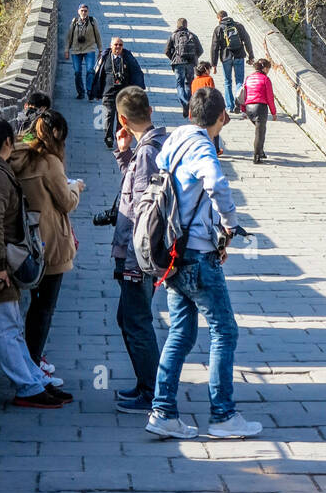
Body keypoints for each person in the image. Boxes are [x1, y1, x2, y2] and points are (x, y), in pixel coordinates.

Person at [147, 87, 262, 440]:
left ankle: (163, 411)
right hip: (197, 255)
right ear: (221, 117)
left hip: (174, 253)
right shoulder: (200, 145)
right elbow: (216, 183)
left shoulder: (175, 140)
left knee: (180, 333)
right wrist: (228, 222)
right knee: (224, 331)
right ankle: (223, 416)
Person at [0, 117, 71, 408]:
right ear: (8, 142)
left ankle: (35, 379)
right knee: (6, 330)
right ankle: (27, 388)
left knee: (12, 326)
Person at [10, 111, 84, 374]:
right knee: (45, 308)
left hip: (24, 242)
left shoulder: (17, 157)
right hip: (51, 242)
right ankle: (33, 361)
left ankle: (30, 357)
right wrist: (76, 187)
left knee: (35, 304)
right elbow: (66, 202)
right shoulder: (49, 162)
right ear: (57, 134)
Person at [111, 87, 168, 413]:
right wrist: (123, 154)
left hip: (138, 255)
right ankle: (146, 385)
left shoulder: (148, 153)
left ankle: (152, 393)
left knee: (137, 321)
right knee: (129, 318)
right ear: (149, 109)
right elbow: (137, 193)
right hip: (140, 254)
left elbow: (144, 215)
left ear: (122, 118)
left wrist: (134, 263)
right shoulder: (151, 147)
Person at [89, 36, 146, 149]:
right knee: (108, 115)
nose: (118, 47)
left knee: (122, 117)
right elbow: (98, 75)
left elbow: (135, 73)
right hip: (108, 92)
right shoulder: (105, 58)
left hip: (123, 94)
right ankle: (108, 137)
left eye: (120, 45)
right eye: (116, 45)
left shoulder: (127, 58)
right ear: (111, 46)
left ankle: (119, 136)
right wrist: (97, 92)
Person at [210, 9, 254, 113]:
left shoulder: (218, 29)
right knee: (239, 81)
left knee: (227, 82)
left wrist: (214, 64)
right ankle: (238, 102)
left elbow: (214, 47)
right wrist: (251, 56)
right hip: (239, 56)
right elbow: (247, 40)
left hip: (226, 58)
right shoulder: (238, 26)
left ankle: (230, 106)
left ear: (219, 18)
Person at [165, 17, 204, 118]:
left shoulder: (173, 35)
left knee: (179, 84)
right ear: (186, 25)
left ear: (177, 25)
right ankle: (189, 105)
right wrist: (194, 57)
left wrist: (173, 58)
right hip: (190, 63)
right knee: (189, 84)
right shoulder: (192, 35)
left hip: (178, 63)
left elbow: (167, 51)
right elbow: (200, 50)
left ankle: (185, 103)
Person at [241, 59, 277, 164]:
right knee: (259, 133)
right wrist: (274, 113)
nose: (268, 71)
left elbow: (244, 94)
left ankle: (261, 151)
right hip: (260, 107)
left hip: (249, 107)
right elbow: (270, 98)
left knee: (260, 130)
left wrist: (244, 110)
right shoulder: (265, 79)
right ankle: (257, 156)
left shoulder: (248, 78)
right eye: (268, 69)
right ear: (265, 68)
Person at [64, 2, 102, 99]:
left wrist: (100, 50)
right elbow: (69, 36)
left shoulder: (93, 21)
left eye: (85, 11)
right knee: (77, 72)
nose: (84, 13)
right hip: (76, 50)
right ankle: (81, 92)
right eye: (82, 11)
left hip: (89, 49)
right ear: (78, 11)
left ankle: (89, 91)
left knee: (90, 70)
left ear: (88, 12)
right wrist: (66, 50)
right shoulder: (74, 21)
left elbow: (97, 35)